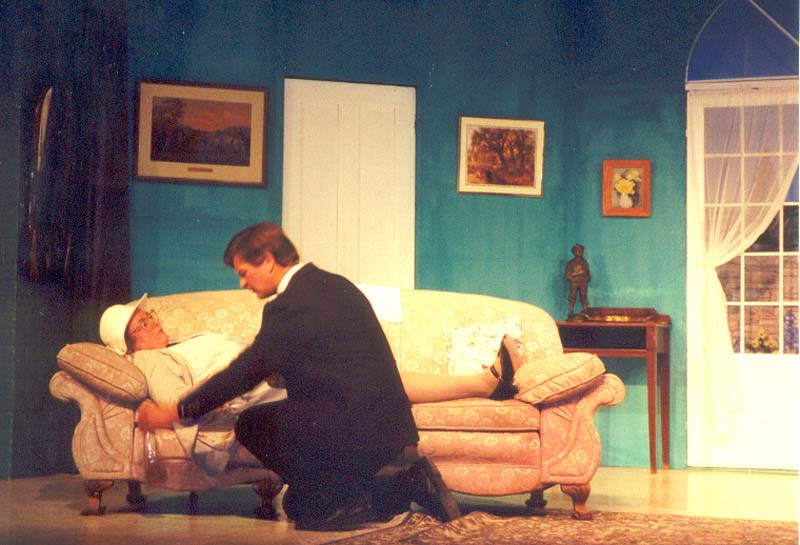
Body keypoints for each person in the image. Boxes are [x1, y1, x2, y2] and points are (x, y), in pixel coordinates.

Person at [135, 222, 523, 531]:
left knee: (254, 426)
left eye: (244, 273)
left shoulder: (287, 307)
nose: (242, 283)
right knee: (299, 503)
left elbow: (244, 372)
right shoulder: (337, 285)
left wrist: (177, 411)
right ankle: (400, 483)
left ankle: (375, 492)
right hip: (391, 430)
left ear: (267, 261)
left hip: (354, 433)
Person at [565, 243, 591, 317]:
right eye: (578, 250)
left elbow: (588, 273)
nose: (580, 252)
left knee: (584, 296)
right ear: (574, 252)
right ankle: (571, 311)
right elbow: (567, 274)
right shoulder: (570, 263)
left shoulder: (585, 262)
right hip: (574, 282)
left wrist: (586, 279)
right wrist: (573, 279)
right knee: (572, 296)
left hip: (583, 282)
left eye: (581, 250)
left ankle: (585, 310)